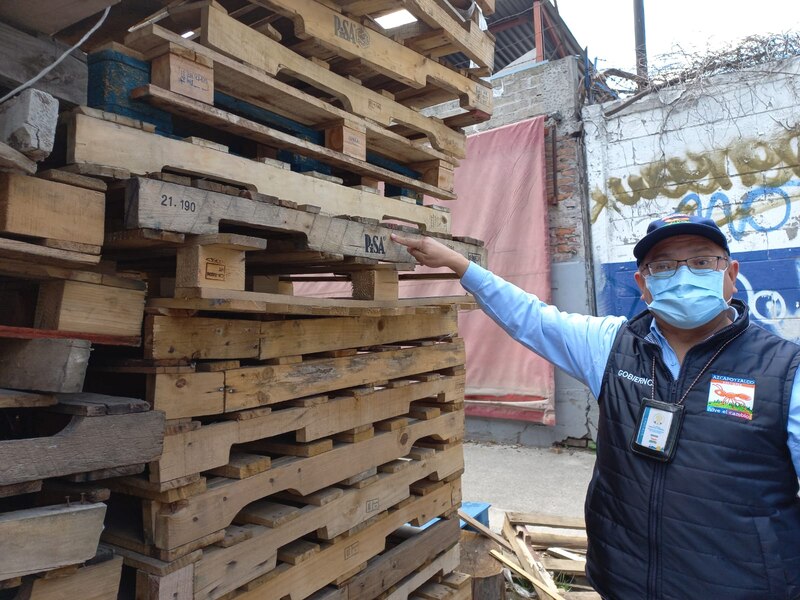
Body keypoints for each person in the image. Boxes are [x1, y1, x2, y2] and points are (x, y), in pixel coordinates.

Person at [391, 213, 800, 600]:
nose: (684, 275)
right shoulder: (613, 345)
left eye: (701, 261)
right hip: (623, 580)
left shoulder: (785, 371)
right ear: (643, 283)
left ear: (730, 274)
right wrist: (461, 266)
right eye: (664, 267)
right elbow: (532, 319)